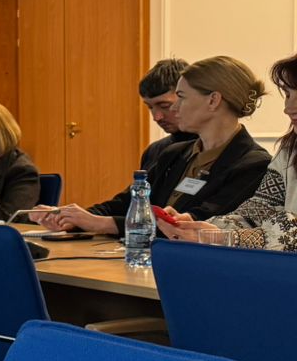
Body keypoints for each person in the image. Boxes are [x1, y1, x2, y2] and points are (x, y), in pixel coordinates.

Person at [37, 55, 271, 235]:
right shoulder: (173, 153)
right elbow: (127, 203)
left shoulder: (254, 164)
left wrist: (100, 224)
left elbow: (197, 224)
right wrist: (73, 217)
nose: (175, 108)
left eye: (181, 97)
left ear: (213, 100)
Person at [161, 52, 297, 250]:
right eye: (288, 95)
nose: (288, 108)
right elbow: (258, 210)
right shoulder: (289, 150)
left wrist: (224, 237)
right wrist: (208, 228)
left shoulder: (255, 160)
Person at [138, 57, 196, 169]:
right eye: (150, 107)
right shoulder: (152, 152)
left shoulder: (211, 148)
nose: (156, 117)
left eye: (165, 106)